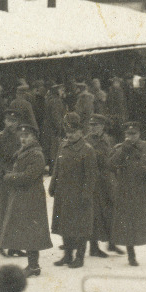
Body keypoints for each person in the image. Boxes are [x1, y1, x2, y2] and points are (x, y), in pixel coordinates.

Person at [109, 122, 146, 267]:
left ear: (139, 134)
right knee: (129, 225)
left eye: (134, 134)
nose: (131, 137)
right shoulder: (119, 148)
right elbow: (110, 164)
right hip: (126, 191)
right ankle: (131, 257)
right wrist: (123, 151)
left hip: (144, 192)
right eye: (128, 134)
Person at [0, 124, 53, 278]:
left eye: (26, 136)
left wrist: (8, 177)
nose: (23, 139)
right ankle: (32, 265)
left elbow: (28, 176)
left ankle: (34, 265)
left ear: (34, 137)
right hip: (24, 196)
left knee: (32, 231)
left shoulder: (36, 155)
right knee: (28, 230)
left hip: (31, 197)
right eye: (21, 136)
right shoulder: (25, 152)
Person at [49, 112, 96, 269]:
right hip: (63, 193)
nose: (69, 135)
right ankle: (67, 255)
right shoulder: (63, 146)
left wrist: (86, 194)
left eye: (73, 132)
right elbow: (57, 167)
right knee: (64, 224)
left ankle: (80, 257)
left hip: (79, 194)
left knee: (81, 227)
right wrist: (52, 185)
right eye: (67, 132)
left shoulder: (87, 150)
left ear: (80, 132)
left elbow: (91, 176)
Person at [0, 109, 22, 256]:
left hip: (17, 178)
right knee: (2, 211)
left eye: (14, 121)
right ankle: (1, 241)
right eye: (8, 120)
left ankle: (14, 245)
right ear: (4, 121)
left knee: (16, 211)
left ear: (18, 122)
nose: (11, 124)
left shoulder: (22, 137)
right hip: (2, 179)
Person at [85, 114, 117, 257]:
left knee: (110, 210)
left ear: (102, 127)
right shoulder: (85, 141)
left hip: (107, 180)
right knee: (94, 214)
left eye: (95, 125)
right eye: (91, 125)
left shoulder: (109, 140)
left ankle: (111, 242)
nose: (92, 128)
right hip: (93, 182)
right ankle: (93, 247)